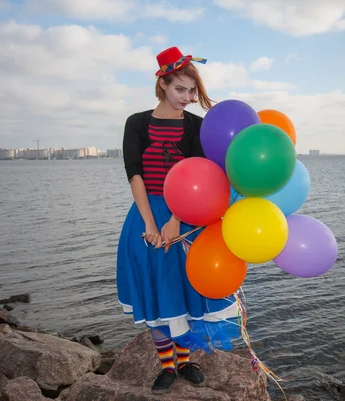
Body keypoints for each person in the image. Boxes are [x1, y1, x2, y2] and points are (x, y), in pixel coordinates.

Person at [116, 46, 241, 395]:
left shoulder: (196, 127)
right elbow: (135, 174)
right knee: (154, 290)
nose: (187, 98)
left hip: (185, 217)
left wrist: (174, 220)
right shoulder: (137, 123)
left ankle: (185, 361)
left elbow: (199, 177)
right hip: (144, 217)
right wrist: (150, 225)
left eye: (191, 91)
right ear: (162, 86)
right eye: (179, 90)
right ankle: (167, 366)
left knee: (185, 290)